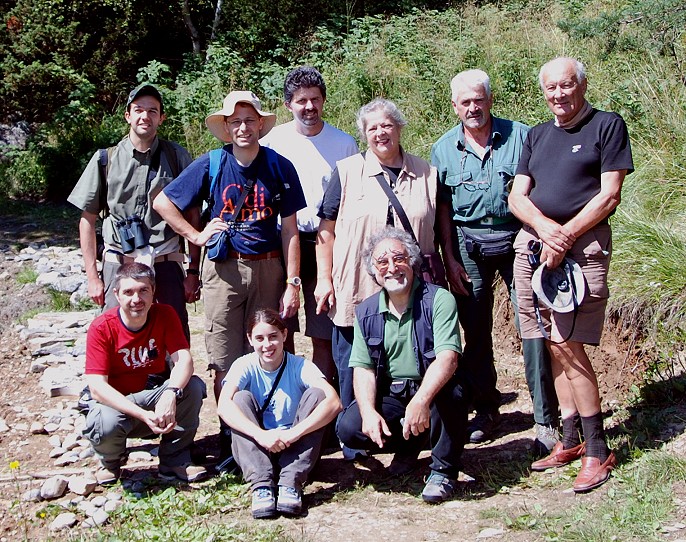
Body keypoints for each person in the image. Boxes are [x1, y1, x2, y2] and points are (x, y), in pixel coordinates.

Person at [153, 90, 306, 463]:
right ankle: (232, 440)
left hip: (270, 266)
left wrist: (293, 282)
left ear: (260, 125)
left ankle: (275, 426)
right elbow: (163, 202)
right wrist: (195, 236)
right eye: (235, 122)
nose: (242, 128)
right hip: (223, 270)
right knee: (224, 357)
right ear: (225, 127)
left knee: (274, 350)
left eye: (249, 120)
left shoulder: (279, 166)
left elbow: (290, 230)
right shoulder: (212, 163)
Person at [508, 57, 633, 492]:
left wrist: (564, 238)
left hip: (582, 251)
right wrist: (546, 231)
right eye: (551, 88)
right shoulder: (537, 135)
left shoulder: (607, 125)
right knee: (548, 341)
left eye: (566, 86)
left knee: (568, 343)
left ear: (581, 85)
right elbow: (517, 197)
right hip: (534, 249)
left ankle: (598, 449)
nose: (558, 95)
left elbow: (609, 195)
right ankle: (570, 438)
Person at [432, 69, 559, 448]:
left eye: (479, 99)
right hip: (469, 245)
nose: (473, 107)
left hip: (518, 238)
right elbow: (442, 208)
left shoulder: (522, 136)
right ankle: (486, 409)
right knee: (475, 329)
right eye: (465, 101)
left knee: (532, 325)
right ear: (454, 106)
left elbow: (542, 188)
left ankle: (546, 417)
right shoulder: (442, 149)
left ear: (490, 100)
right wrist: (449, 257)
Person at [316, 98, 439, 458]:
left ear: (400, 127)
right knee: (353, 362)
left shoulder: (427, 173)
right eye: (372, 128)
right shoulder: (346, 171)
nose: (380, 133)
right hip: (356, 285)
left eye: (387, 125)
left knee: (411, 359)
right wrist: (324, 279)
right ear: (364, 134)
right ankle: (357, 438)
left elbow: (440, 227)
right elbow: (326, 231)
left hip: (410, 289)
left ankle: (408, 437)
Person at [337, 227, 469, 503]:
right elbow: (363, 368)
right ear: (373, 271)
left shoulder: (439, 299)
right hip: (395, 392)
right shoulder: (366, 311)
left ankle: (443, 470)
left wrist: (421, 400)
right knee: (350, 427)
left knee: (452, 393)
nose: (391, 268)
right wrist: (368, 412)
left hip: (433, 389)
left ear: (412, 261)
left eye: (398, 258)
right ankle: (411, 446)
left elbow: (448, 358)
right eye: (382, 262)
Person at [68, 83, 199, 341]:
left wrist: (193, 272)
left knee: (173, 338)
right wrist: (93, 277)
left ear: (161, 117)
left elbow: (194, 216)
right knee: (115, 338)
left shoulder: (177, 157)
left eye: (153, 111)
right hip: (119, 264)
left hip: (166, 263)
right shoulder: (105, 159)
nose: (145, 116)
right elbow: (87, 221)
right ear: (127, 115)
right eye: (139, 110)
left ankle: (175, 382)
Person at [261, 66, 358, 380]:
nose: (309, 107)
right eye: (301, 101)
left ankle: (321, 403)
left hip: (325, 241)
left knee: (324, 330)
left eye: (315, 99)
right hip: (282, 240)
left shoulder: (343, 144)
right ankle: (284, 394)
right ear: (288, 105)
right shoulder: (273, 142)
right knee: (280, 326)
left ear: (324, 100)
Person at [82, 262, 207, 484]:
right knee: (102, 419)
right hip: (117, 404)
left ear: (153, 291)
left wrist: (170, 393)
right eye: (128, 292)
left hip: (152, 395)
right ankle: (111, 462)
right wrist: (142, 415)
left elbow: (184, 360)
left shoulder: (165, 314)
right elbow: (97, 387)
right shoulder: (102, 327)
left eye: (143, 291)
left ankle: (175, 458)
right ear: (116, 294)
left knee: (193, 387)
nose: (136, 299)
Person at [218, 309, 342, 518]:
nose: (267, 345)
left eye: (273, 337)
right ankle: (261, 485)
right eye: (259, 338)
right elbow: (223, 406)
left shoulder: (300, 366)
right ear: (250, 339)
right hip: (259, 446)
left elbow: (334, 402)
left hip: (294, 444)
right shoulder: (243, 365)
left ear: (284, 335)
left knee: (317, 395)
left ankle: (290, 482)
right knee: (238, 399)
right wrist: (260, 435)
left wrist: (294, 433)